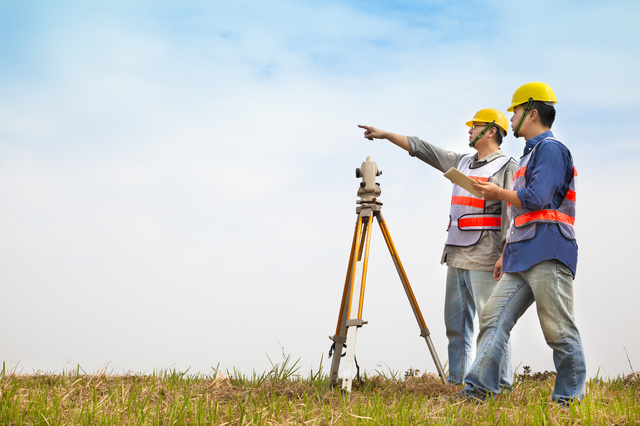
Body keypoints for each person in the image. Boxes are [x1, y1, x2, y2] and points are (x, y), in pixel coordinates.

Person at [359, 108, 516, 386]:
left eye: (475, 126)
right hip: (455, 253)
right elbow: (424, 149)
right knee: (456, 327)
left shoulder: (507, 167)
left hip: (486, 255)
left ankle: (498, 384)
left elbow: (510, 214)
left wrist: (506, 252)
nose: (469, 130)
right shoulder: (462, 162)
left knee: (491, 324)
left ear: (491, 131)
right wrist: (385, 135)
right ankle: (459, 384)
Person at [460, 82, 587, 405]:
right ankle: (478, 391)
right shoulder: (528, 155)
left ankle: (568, 401)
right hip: (521, 255)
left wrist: (495, 192)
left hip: (548, 250)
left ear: (531, 113)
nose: (511, 117)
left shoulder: (551, 150)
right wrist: (506, 252)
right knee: (492, 319)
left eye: (514, 111)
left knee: (558, 330)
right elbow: (519, 215)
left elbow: (537, 199)